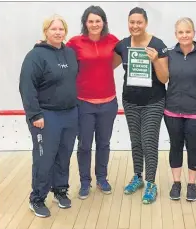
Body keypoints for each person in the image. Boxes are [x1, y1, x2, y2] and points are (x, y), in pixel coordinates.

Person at [19, 15, 78, 218]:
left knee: (64, 156)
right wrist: (35, 114)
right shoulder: (35, 56)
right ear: (46, 32)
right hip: (45, 116)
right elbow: (27, 88)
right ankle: (37, 198)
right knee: (44, 159)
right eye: (53, 29)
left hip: (70, 114)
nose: (58, 32)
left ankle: (60, 190)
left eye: (61, 29)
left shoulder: (69, 53)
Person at [114, 7, 169, 204]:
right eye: (132, 22)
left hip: (153, 101)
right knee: (136, 141)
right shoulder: (122, 45)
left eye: (139, 22)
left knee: (148, 142)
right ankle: (137, 176)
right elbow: (105, 63)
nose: (135, 26)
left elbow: (164, 78)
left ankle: (151, 183)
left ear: (145, 23)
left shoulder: (158, 45)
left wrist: (155, 60)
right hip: (130, 101)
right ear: (128, 23)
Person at [66, 6, 119, 199]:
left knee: (104, 144)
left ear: (103, 22)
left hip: (109, 103)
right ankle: (85, 182)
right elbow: (58, 54)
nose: (95, 24)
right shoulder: (74, 43)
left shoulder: (113, 41)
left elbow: (120, 58)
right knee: (85, 145)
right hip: (84, 103)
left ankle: (102, 178)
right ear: (85, 23)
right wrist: (43, 43)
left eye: (98, 21)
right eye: (91, 21)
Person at [164, 17, 196, 202]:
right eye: (180, 32)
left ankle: (191, 184)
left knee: (193, 148)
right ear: (176, 34)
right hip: (172, 110)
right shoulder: (168, 54)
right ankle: (176, 183)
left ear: (194, 33)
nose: (184, 35)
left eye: (187, 32)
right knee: (175, 147)